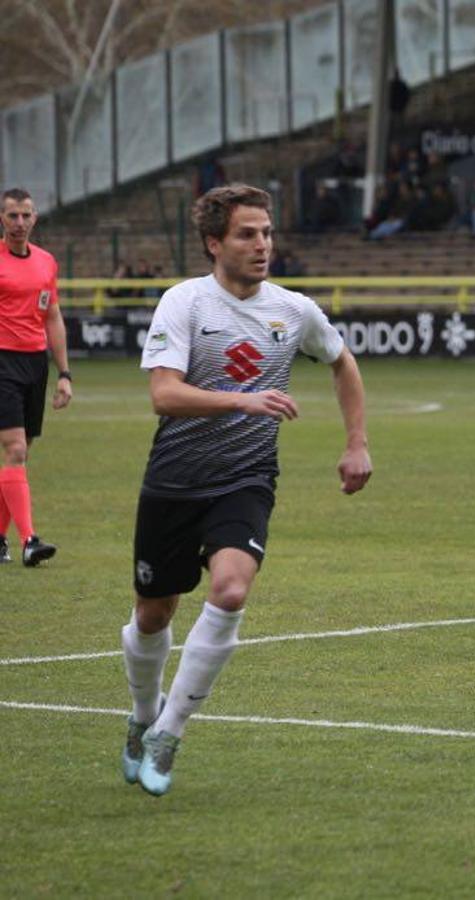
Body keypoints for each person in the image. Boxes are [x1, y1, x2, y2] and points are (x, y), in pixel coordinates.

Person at [120, 184, 372, 796]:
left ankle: (169, 733)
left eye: (267, 233)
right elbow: (164, 394)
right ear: (214, 243)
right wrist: (242, 398)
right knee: (154, 614)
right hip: (174, 483)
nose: (262, 245)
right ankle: (142, 712)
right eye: (247, 234)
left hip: (246, 480)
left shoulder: (294, 310)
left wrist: (357, 442)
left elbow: (342, 362)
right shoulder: (185, 303)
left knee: (231, 591)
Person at [0, 188, 69, 567]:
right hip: (2, 361)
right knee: (15, 450)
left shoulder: (46, 263)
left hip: (34, 363)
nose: (19, 223)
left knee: (19, 456)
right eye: (12, 216)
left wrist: (65, 373)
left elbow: (53, 318)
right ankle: (29, 541)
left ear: (35, 218)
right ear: (2, 219)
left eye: (25, 216)